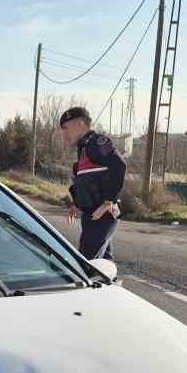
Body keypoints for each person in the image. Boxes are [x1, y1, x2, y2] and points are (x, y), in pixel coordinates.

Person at [58, 106, 126, 260]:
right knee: (103, 268)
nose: (63, 133)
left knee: (87, 266)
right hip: (93, 216)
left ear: (80, 124)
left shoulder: (97, 143)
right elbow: (88, 181)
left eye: (65, 127)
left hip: (103, 217)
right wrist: (77, 204)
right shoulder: (84, 148)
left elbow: (119, 166)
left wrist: (108, 202)